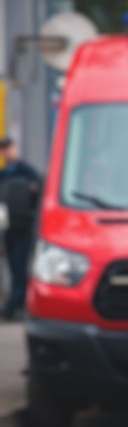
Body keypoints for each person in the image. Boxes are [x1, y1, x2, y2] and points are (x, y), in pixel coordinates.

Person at [0, 137, 43, 321]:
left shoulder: (27, 171)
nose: (8, 153)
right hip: (8, 227)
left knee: (20, 267)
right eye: (4, 150)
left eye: (10, 148)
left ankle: (16, 305)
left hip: (24, 227)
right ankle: (16, 305)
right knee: (13, 267)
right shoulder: (3, 175)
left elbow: (39, 192)